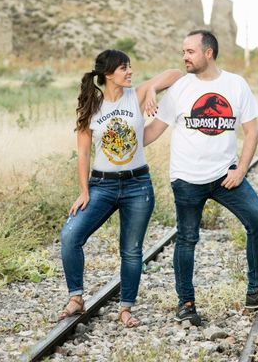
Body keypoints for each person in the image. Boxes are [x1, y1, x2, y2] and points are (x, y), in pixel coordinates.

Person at [144, 30, 258, 326]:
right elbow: (154, 130)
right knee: (187, 239)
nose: (184, 57)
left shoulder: (236, 85)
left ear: (208, 52)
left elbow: (252, 131)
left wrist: (240, 170)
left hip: (225, 175)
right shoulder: (179, 88)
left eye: (190, 51)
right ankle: (186, 303)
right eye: (183, 52)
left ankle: (256, 292)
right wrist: (124, 143)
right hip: (187, 179)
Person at [58, 49, 182, 328]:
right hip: (101, 185)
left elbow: (175, 74)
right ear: (107, 74)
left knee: (131, 250)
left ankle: (126, 308)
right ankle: (76, 297)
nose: (130, 72)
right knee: (70, 236)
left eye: (130, 67)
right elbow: (83, 154)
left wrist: (150, 89)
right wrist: (84, 190)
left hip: (138, 185)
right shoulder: (91, 107)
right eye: (124, 68)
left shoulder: (135, 95)